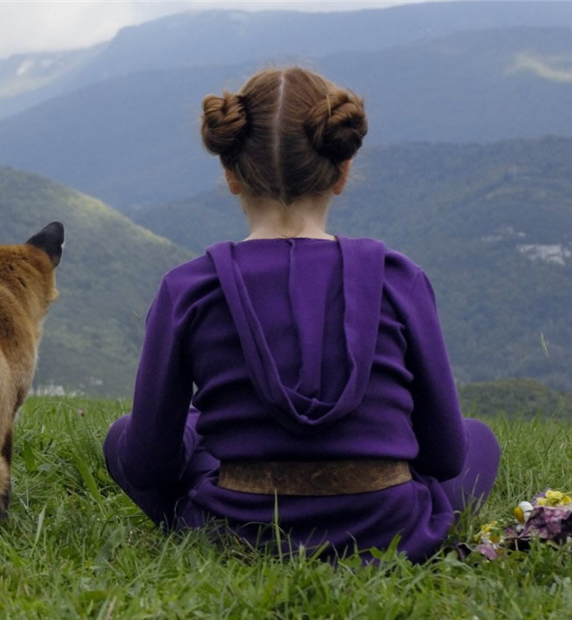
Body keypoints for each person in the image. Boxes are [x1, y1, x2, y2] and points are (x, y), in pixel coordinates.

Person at [102, 67, 500, 563]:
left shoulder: (188, 289)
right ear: (341, 172)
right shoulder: (399, 278)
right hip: (389, 527)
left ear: (230, 175)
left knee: (125, 433)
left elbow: (148, 464)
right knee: (478, 437)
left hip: (233, 526)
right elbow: (446, 456)